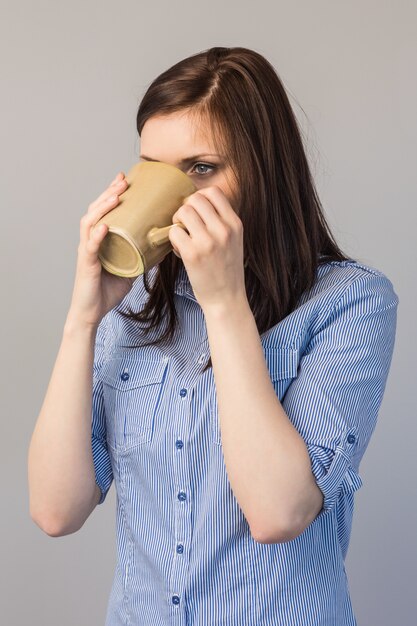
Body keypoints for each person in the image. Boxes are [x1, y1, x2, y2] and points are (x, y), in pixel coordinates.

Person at [28, 46, 398, 625]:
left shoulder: (350, 302)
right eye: (155, 169)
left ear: (264, 168)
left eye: (201, 168)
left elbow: (279, 512)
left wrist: (224, 304)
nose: (176, 194)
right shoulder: (136, 304)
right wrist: (83, 320)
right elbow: (56, 510)